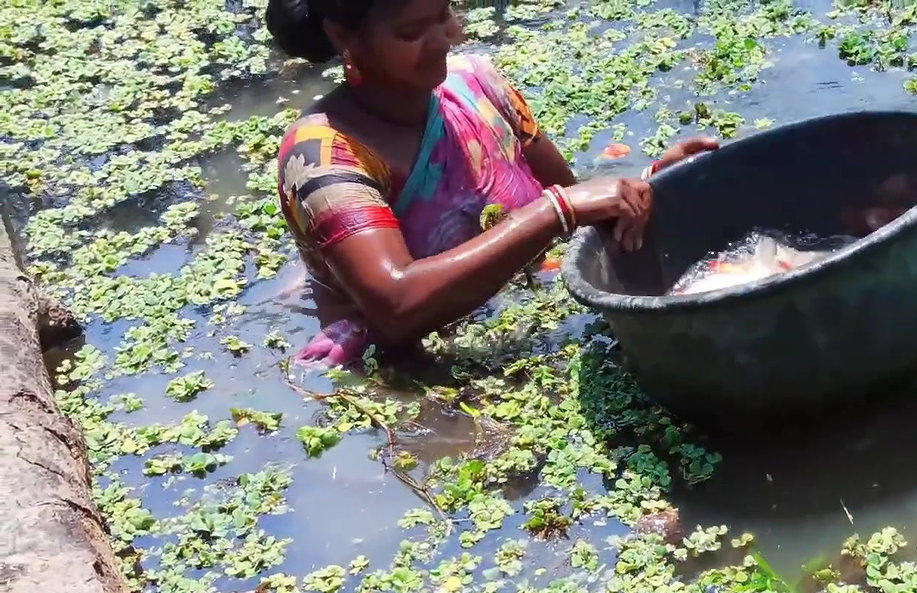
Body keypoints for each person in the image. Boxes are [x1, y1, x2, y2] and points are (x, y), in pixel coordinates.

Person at [264, 0, 718, 367]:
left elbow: (572, 207)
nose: (447, 38)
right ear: (343, 37)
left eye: (445, 14)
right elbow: (396, 307)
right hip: (410, 366)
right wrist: (556, 210)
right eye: (411, 32)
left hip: (518, 318)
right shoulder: (324, 154)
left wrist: (647, 187)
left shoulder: (478, 86)